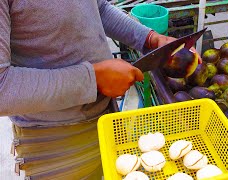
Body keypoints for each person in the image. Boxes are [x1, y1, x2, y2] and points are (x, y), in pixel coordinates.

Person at [0, 0, 200, 179]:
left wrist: (148, 38)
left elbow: (99, 8)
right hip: (56, 139)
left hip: (105, 115)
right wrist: (93, 79)